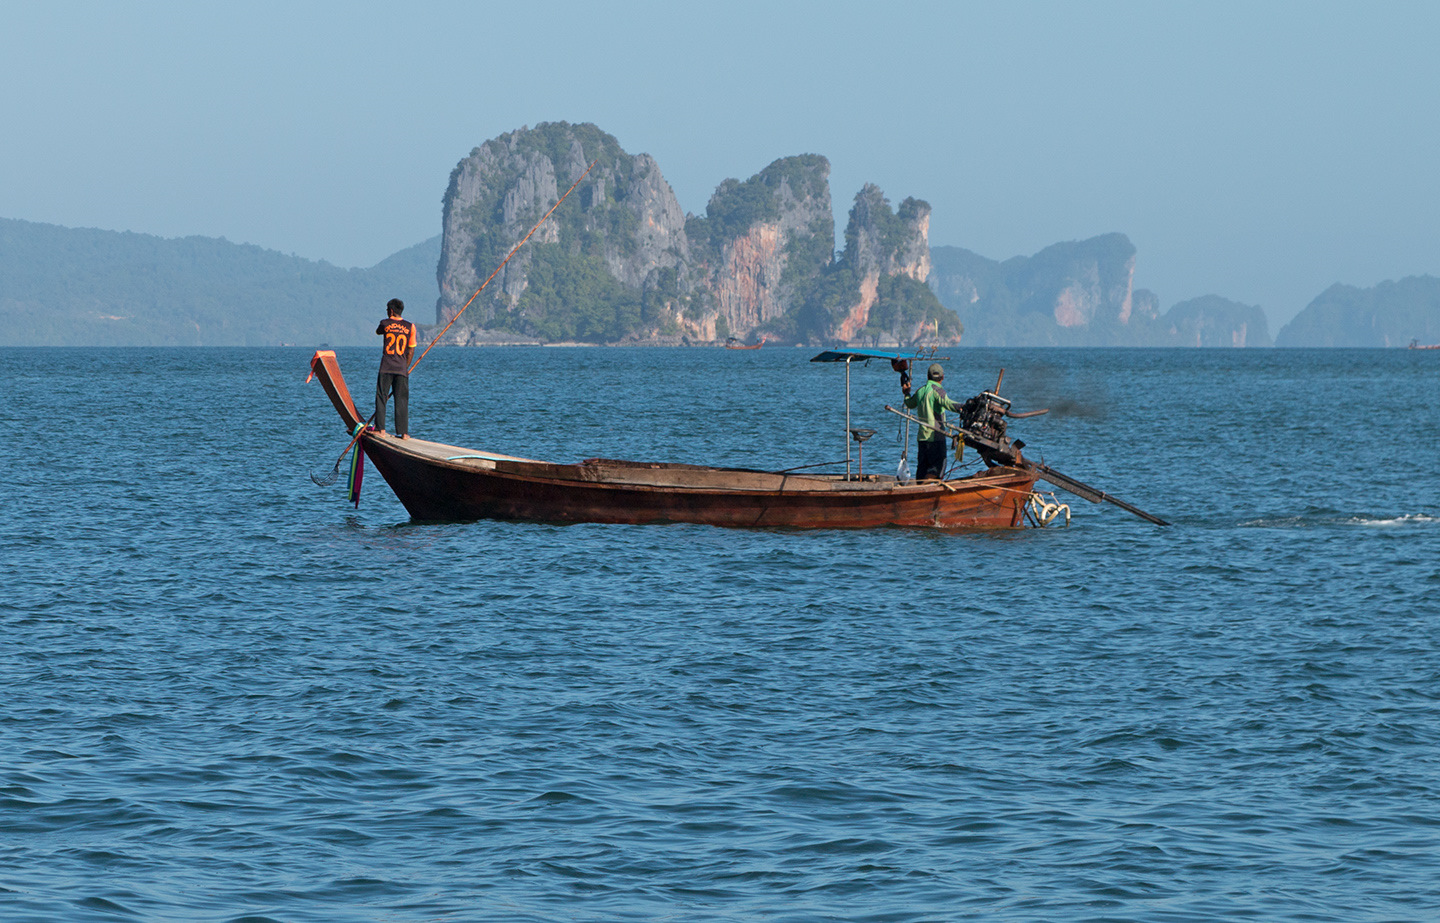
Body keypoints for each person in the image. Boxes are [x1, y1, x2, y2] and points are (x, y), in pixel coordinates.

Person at [902, 362, 963, 480]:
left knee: (922, 470)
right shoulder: (937, 390)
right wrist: (966, 407)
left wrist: (906, 394)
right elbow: (949, 404)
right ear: (942, 377)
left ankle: (919, 491)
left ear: (927, 376)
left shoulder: (920, 391)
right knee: (937, 471)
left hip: (922, 438)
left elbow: (910, 403)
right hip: (935, 437)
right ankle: (928, 492)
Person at [375, 298, 416, 438]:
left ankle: (381, 430)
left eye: (387, 310)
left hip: (386, 367)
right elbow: (410, 351)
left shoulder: (384, 323)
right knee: (401, 400)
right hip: (401, 368)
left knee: (382, 397)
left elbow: (378, 331)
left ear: (391, 311)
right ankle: (404, 433)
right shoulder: (411, 327)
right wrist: (405, 366)